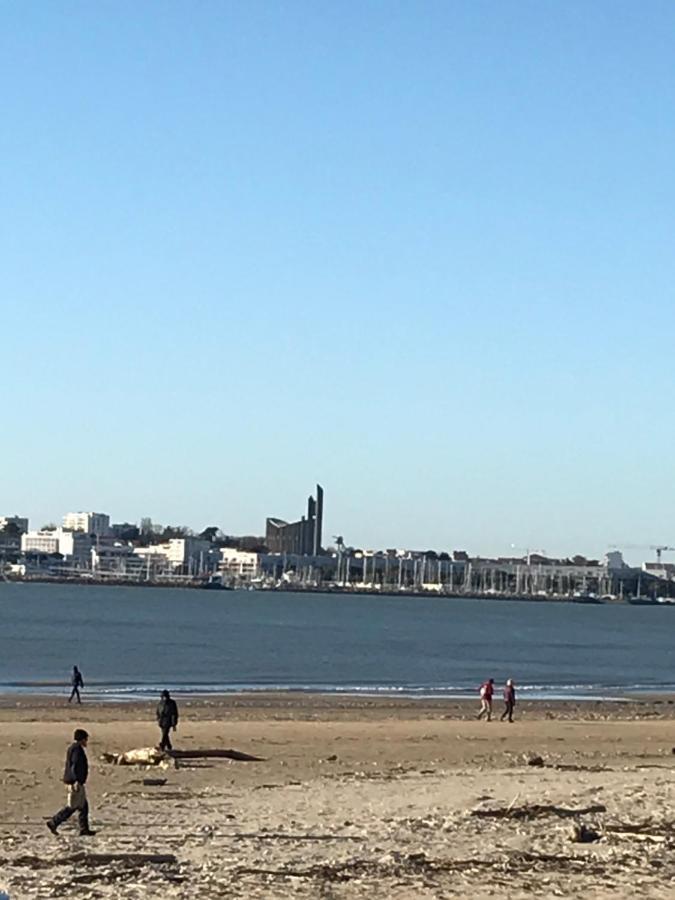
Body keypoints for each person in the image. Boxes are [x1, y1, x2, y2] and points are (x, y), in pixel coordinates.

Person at [47, 728, 96, 836]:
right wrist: (77, 781)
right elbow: (75, 766)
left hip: (75, 782)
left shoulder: (74, 748)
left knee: (83, 806)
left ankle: (84, 829)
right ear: (81, 739)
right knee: (72, 807)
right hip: (75, 782)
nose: (86, 741)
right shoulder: (77, 750)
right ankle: (54, 822)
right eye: (85, 739)